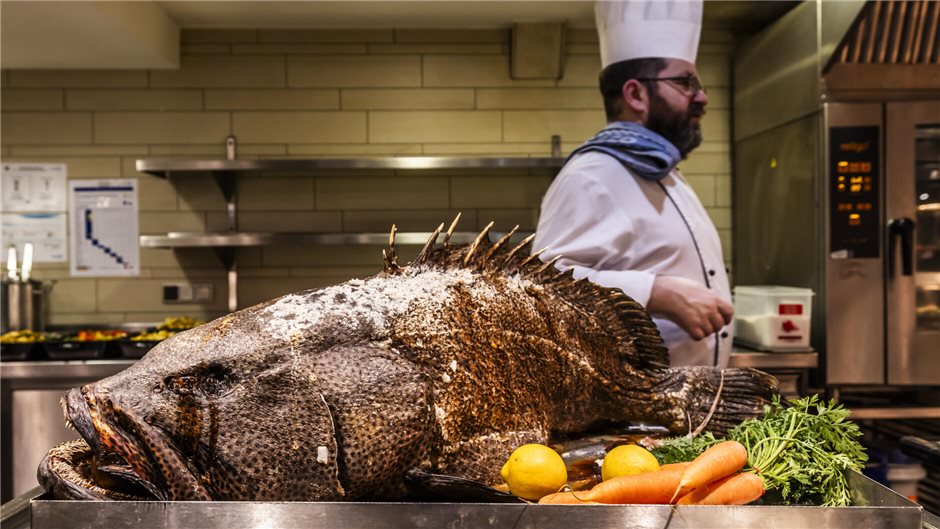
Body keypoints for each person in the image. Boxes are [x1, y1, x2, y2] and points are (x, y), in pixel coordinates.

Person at [533, 0, 733, 367]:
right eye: (685, 82)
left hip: (685, 412)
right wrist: (656, 292)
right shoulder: (592, 174)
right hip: (636, 418)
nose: (701, 97)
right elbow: (543, 289)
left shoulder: (665, 172)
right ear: (635, 94)